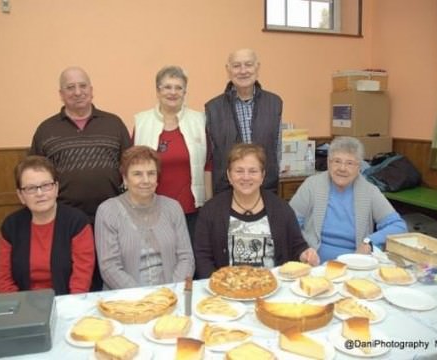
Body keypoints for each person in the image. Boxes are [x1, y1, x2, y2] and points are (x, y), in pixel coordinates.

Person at [194, 143, 318, 279]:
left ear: (262, 175)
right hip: (226, 289)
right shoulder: (211, 211)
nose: (246, 177)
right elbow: (202, 257)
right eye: (239, 171)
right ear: (229, 175)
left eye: (253, 171)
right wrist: (218, 284)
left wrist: (306, 254)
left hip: (272, 286)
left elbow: (297, 247)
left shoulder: (281, 208)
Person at [30, 66, 132, 223]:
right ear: (61, 94)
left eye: (82, 86)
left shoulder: (114, 124)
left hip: (113, 215)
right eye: (70, 87)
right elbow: (34, 175)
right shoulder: (45, 130)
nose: (78, 92)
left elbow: (130, 166)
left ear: (91, 90)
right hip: (63, 218)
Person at [289, 136, 407, 263]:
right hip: (315, 262)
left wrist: (369, 243)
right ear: (329, 162)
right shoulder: (312, 185)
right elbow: (289, 223)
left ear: (359, 167)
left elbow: (398, 226)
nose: (342, 168)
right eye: (337, 161)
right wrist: (303, 249)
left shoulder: (369, 191)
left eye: (350, 163)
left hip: (355, 265)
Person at [94, 146, 195, 289]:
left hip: (172, 295)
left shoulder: (173, 208)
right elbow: (109, 268)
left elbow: (186, 258)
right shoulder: (108, 211)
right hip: (127, 300)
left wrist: (173, 291)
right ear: (125, 178)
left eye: (151, 173)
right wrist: (143, 299)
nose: (146, 180)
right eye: (137, 174)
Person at [0, 156, 95, 295]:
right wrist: (19, 309)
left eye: (46, 185)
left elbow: (81, 280)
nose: (40, 193)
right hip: (24, 304)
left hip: (66, 301)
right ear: (21, 195)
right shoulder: (10, 226)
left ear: (56, 188)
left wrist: (69, 307)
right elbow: (3, 279)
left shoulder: (77, 222)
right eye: (31, 188)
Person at [133, 66, 211, 242]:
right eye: (167, 87)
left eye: (178, 87)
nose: (173, 92)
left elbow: (208, 164)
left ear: (185, 92)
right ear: (157, 91)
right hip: (152, 209)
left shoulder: (199, 121)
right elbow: (131, 166)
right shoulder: (142, 122)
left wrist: (209, 202)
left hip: (192, 209)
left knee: (192, 262)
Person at [205, 48, 282, 195]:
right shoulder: (213, 108)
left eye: (248, 64)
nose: (243, 70)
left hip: (265, 190)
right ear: (228, 70)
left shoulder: (275, 103)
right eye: (236, 66)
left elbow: (277, 151)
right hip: (226, 193)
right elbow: (212, 157)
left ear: (257, 67)